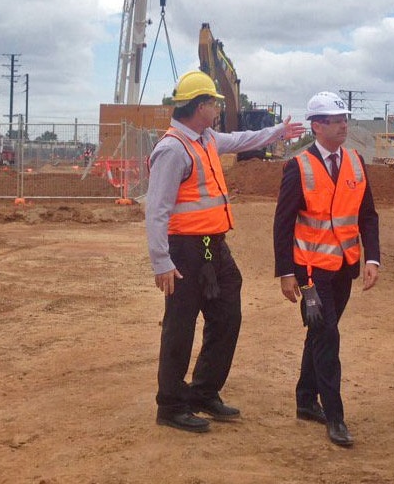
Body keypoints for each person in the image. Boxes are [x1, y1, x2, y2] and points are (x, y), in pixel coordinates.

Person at [146, 70, 305, 433]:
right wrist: (161, 262)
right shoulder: (172, 149)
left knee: (227, 315)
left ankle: (204, 392)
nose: (218, 109)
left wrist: (278, 132)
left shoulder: (206, 138)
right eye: (214, 103)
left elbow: (241, 139)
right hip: (184, 251)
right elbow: (156, 210)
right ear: (199, 106)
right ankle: (170, 405)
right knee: (180, 327)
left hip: (213, 246)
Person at [273, 91, 380, 447]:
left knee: (319, 333)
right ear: (317, 126)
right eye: (335, 120)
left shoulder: (356, 162)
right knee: (328, 337)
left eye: (344, 119)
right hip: (311, 272)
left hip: (344, 267)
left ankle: (305, 399)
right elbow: (283, 224)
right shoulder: (298, 166)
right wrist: (287, 273)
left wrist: (372, 259)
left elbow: (367, 216)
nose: (343, 125)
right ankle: (335, 416)